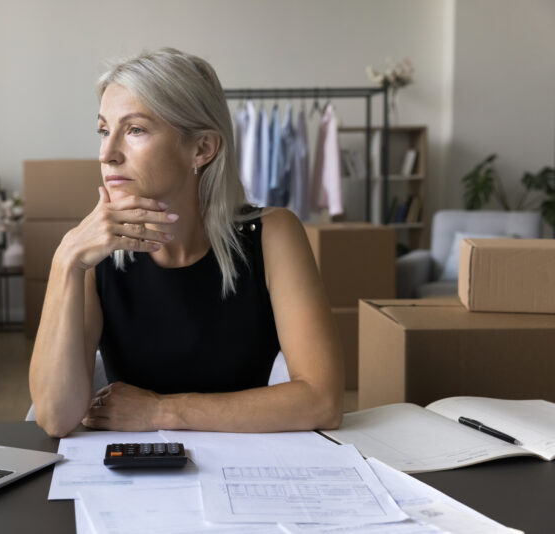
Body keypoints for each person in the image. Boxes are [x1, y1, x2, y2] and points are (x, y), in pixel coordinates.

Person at [29, 48, 343, 438]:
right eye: (104, 130)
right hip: (131, 481)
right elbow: (55, 418)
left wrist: (162, 412)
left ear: (202, 149)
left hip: (246, 475)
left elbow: (323, 401)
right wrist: (65, 261)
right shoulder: (92, 254)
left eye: (135, 130)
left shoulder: (273, 235)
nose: (107, 154)